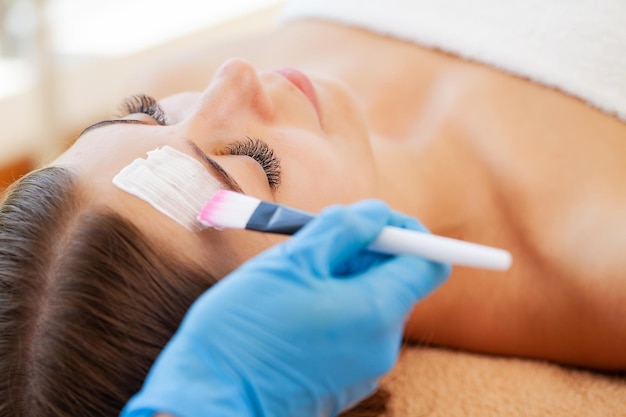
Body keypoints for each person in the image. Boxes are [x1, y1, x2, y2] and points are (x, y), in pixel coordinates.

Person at [1, 0, 625, 415]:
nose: (235, 75)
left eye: (149, 113)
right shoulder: (606, 258)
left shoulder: (183, 67)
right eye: (252, 163)